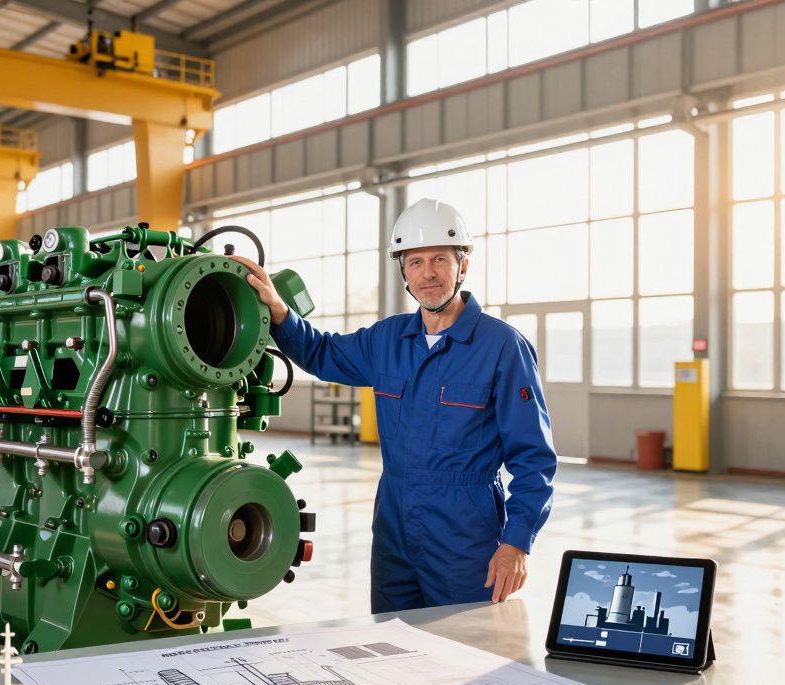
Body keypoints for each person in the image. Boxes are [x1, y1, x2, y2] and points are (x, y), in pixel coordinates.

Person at [233, 198, 557, 612]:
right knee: (390, 648)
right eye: (416, 262)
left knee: (466, 648)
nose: (429, 274)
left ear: (463, 265)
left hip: (465, 537)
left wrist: (516, 544)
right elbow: (322, 353)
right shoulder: (387, 341)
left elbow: (535, 459)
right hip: (394, 532)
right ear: (403, 270)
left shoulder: (502, 348)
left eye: (440, 258)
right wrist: (279, 313)